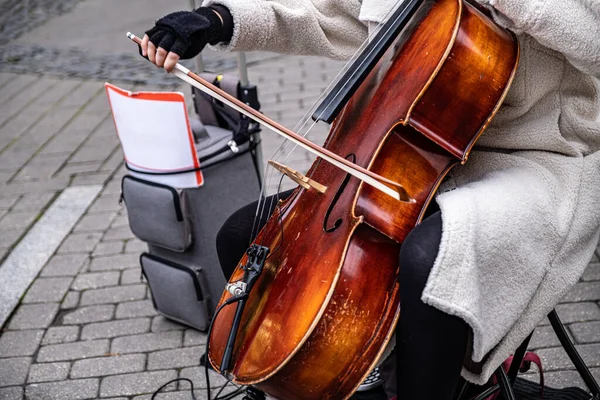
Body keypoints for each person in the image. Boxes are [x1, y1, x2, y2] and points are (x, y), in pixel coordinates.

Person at [142, 1, 600, 399]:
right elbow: (325, 13)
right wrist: (220, 20)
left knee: (432, 259)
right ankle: (346, 379)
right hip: (409, 151)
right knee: (244, 235)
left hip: (537, 161)